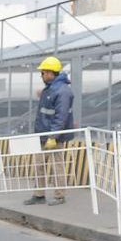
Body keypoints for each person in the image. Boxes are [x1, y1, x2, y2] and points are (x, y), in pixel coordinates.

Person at [24, 56, 74, 207]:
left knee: (57, 165)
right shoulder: (50, 89)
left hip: (54, 137)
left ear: (51, 73)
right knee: (39, 165)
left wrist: (53, 136)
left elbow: (61, 116)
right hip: (43, 134)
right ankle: (39, 195)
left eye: (44, 73)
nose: (42, 76)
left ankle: (60, 196)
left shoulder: (62, 91)